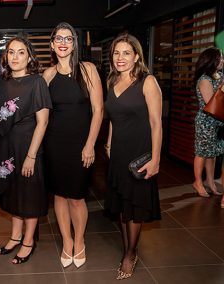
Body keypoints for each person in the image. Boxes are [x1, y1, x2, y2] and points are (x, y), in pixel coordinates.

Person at [42, 22, 104, 269]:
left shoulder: (87, 69)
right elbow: (39, 112)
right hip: (54, 144)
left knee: (77, 197)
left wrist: (90, 145)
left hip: (81, 144)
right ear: (52, 43)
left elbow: (98, 110)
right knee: (59, 195)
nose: (63, 42)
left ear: (74, 43)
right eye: (59, 38)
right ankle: (66, 241)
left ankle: (79, 241)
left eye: (68, 38)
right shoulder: (47, 75)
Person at [104, 33, 162, 280]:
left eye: (126, 53)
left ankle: (130, 253)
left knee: (135, 206)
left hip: (140, 153)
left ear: (136, 56)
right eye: (117, 53)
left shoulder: (147, 81)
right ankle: (128, 244)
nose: (121, 57)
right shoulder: (112, 81)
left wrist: (156, 159)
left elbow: (156, 123)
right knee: (121, 202)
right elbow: (113, 119)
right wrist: (108, 143)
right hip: (117, 152)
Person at [0, 37, 52, 264]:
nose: (15, 57)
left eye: (21, 52)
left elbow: (43, 122)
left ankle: (28, 240)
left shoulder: (37, 82)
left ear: (30, 57)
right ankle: (15, 236)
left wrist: (31, 156)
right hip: (6, 144)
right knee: (13, 190)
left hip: (29, 144)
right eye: (11, 52)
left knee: (29, 193)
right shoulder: (1, 81)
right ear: (6, 56)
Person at [192, 47, 224, 198]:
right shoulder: (204, 79)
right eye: (220, 58)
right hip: (206, 122)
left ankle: (210, 183)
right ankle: (197, 182)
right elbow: (211, 104)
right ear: (211, 61)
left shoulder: (219, 75)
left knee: (213, 154)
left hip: (217, 123)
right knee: (202, 153)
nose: (223, 61)